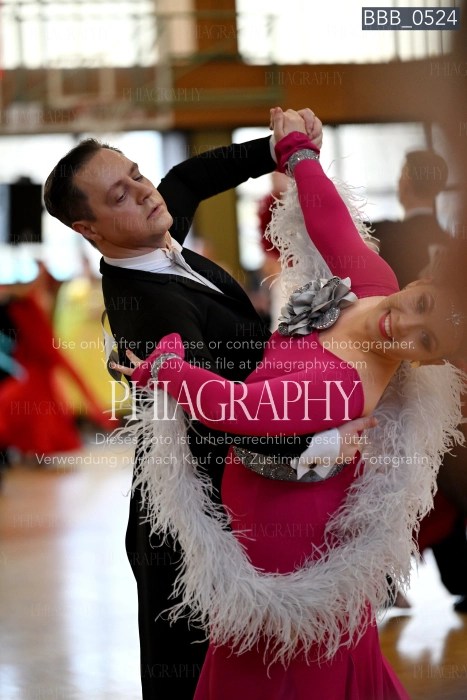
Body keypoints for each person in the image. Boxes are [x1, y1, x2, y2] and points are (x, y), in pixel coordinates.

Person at [115, 108, 466, 700]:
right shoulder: (372, 285)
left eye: (425, 340)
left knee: (283, 672)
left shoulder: (348, 385)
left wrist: (168, 370)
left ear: (430, 361)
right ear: (421, 282)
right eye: (423, 304)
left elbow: (241, 411)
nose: (404, 325)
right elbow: (331, 221)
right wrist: (300, 153)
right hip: (266, 502)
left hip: (291, 539)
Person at [43, 112, 367, 700]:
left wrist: (272, 149)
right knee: (193, 678)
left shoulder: (148, 236)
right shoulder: (151, 311)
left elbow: (187, 179)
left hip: (231, 490)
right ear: (88, 229)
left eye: (136, 174)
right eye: (120, 194)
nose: (144, 192)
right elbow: (217, 408)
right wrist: (322, 443)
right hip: (193, 524)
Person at [371, 149, 450, 289]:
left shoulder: (382, 235)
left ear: (406, 181)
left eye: (402, 174)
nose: (398, 181)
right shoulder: (451, 243)